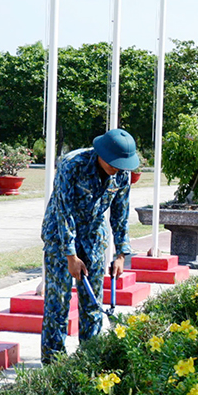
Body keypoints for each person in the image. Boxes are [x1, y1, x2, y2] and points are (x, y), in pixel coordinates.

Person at [40, 129, 139, 364]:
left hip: (94, 239)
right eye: (115, 163)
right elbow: (63, 211)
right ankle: (53, 364)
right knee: (58, 304)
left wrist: (121, 254)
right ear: (101, 155)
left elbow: (120, 215)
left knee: (93, 304)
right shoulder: (71, 165)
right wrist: (70, 255)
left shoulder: (122, 175)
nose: (118, 168)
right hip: (60, 239)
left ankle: (89, 358)